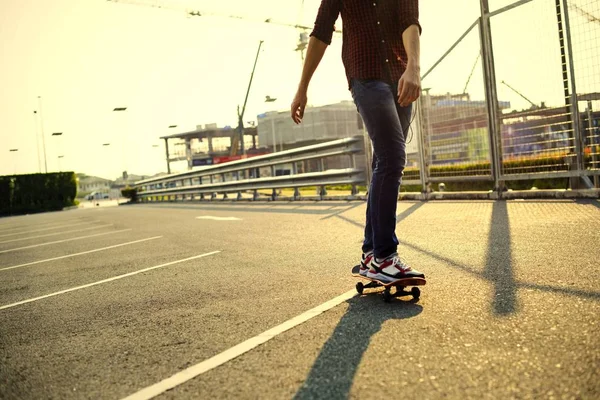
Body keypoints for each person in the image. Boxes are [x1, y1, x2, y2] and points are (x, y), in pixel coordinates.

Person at [291, 0, 425, 283]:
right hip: (365, 76)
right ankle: (384, 256)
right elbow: (321, 32)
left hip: (400, 74)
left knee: (383, 162)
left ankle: (370, 253)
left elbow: (409, 21)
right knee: (392, 158)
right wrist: (302, 88)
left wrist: (413, 67)